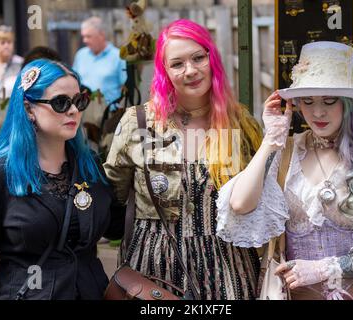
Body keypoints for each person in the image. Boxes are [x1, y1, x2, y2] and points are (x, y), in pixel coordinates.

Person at [217, 41, 353, 299]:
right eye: (307, 101)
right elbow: (240, 204)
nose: (318, 112)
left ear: (349, 103)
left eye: (329, 101)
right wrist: (271, 140)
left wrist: (325, 268)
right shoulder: (286, 152)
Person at [103, 19, 262, 300]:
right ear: (164, 71)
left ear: (211, 58)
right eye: (177, 64)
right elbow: (113, 194)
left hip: (228, 271)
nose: (190, 71)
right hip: (154, 270)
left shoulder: (240, 123)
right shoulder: (137, 123)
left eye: (198, 58)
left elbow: (260, 198)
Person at [0, 59, 124, 300]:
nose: (73, 111)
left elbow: (116, 225)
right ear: (29, 109)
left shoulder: (89, 164)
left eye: (79, 101)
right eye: (60, 102)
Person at [73, 16, 127, 110]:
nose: (84, 40)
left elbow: (127, 88)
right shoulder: (80, 55)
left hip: (110, 115)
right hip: (83, 112)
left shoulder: (118, 56)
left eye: (88, 36)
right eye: (83, 36)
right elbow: (74, 82)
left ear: (101, 35)